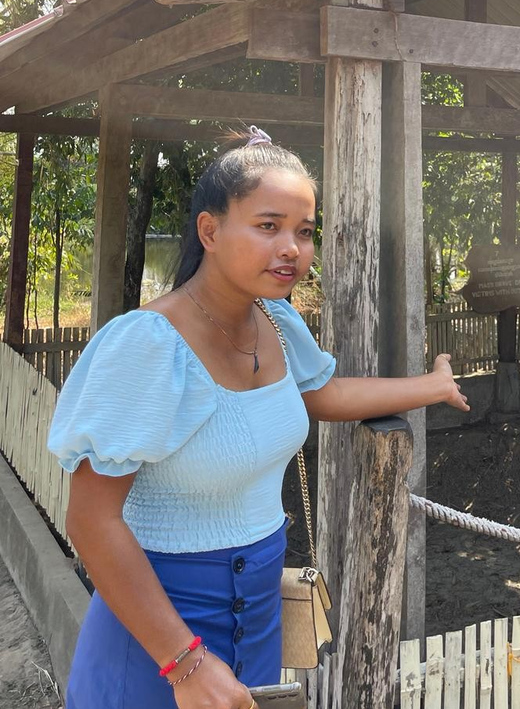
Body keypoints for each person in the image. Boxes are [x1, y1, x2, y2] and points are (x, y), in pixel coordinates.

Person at [48, 126, 469, 709]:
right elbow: (91, 520)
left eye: (304, 231)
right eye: (268, 226)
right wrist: (184, 661)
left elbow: (324, 394)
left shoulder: (274, 322)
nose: (292, 248)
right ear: (210, 230)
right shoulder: (148, 346)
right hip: (160, 627)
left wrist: (432, 385)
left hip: (263, 606)